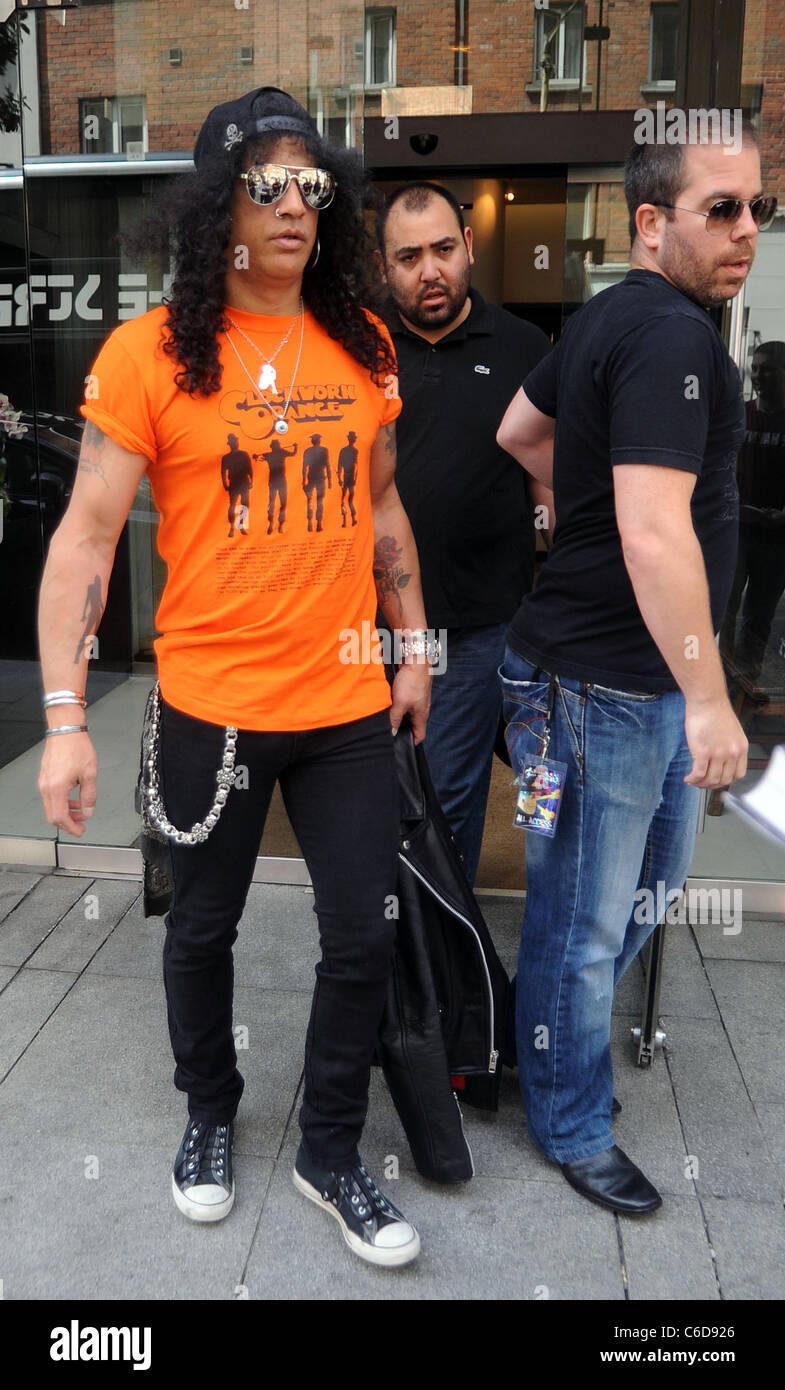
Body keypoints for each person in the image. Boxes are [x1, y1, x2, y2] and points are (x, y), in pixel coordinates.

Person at [36, 87, 435, 1268]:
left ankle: (328, 1149)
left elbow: (380, 506)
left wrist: (412, 644)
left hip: (345, 706)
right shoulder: (148, 355)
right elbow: (83, 541)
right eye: (266, 183)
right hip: (209, 703)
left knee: (361, 933)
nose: (295, 205)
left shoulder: (361, 342)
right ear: (216, 206)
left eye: (312, 184)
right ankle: (209, 1109)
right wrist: (64, 719)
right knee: (199, 929)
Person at [497, 122, 773, 1214]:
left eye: (756, 205)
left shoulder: (614, 313)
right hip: (597, 692)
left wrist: (574, 514)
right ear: (650, 223)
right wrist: (711, 699)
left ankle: (539, 1054)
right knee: (586, 919)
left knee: (627, 902)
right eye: (722, 208)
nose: (746, 228)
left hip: (611, 681)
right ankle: (565, 1119)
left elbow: (520, 431)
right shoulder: (663, 334)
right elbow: (655, 533)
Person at [377, 181, 552, 885]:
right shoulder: (357, 347)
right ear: (384, 267)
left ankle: (448, 972)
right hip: (365, 631)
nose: (430, 271)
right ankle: (400, 961)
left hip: (481, 630)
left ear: (468, 247)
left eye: (444, 249)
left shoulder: (521, 346)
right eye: (409, 256)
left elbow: (548, 487)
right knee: (375, 806)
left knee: (450, 805)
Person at [720, 341, 785, 694]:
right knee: (723, 610)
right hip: (736, 530)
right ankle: (720, 679)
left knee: (758, 617)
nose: (759, 376)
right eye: (756, 368)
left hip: (777, 539)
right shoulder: (739, 414)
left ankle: (746, 680)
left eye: (769, 369)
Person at [221, 431, 254, 537]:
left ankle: (241, 525)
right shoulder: (226, 457)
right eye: (233, 442)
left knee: (245, 505)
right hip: (234, 483)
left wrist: (251, 480)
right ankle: (231, 527)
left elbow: (249, 468)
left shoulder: (243, 454)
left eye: (235, 441)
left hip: (244, 482)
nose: (235, 443)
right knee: (232, 505)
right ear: (230, 444)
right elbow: (223, 472)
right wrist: (225, 483)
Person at [301, 432, 331, 532]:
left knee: (310, 501)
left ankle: (312, 523)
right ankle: (317, 523)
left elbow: (304, 467)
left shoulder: (308, 451)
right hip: (319, 476)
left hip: (313, 476)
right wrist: (330, 480)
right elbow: (327, 466)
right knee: (318, 501)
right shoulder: (323, 450)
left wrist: (303, 481)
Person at [338, 430, 358, 527]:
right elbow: (339, 465)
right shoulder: (345, 451)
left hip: (349, 476)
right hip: (346, 476)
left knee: (347, 499)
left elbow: (356, 466)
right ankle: (345, 520)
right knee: (345, 499)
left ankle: (350, 520)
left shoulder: (354, 451)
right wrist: (340, 478)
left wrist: (354, 478)